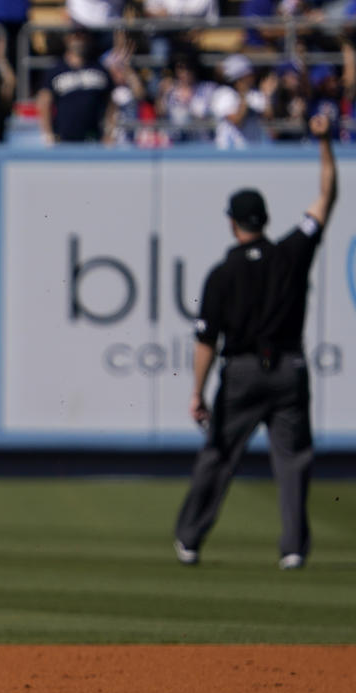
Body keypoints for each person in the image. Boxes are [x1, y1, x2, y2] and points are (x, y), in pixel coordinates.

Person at [172, 114, 337, 572]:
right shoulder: (291, 252)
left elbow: (206, 338)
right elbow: (327, 197)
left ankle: (189, 538)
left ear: (233, 224)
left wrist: (196, 392)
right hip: (289, 369)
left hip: (242, 371)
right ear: (262, 220)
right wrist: (324, 143)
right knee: (293, 462)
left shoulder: (223, 274)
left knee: (219, 456)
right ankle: (293, 549)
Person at [36, 28, 114, 144]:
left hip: (93, 138)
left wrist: (109, 133)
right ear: (67, 39)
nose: (79, 40)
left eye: (83, 36)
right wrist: (48, 133)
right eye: (75, 36)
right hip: (64, 138)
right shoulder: (55, 70)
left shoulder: (100, 69)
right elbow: (44, 102)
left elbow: (111, 104)